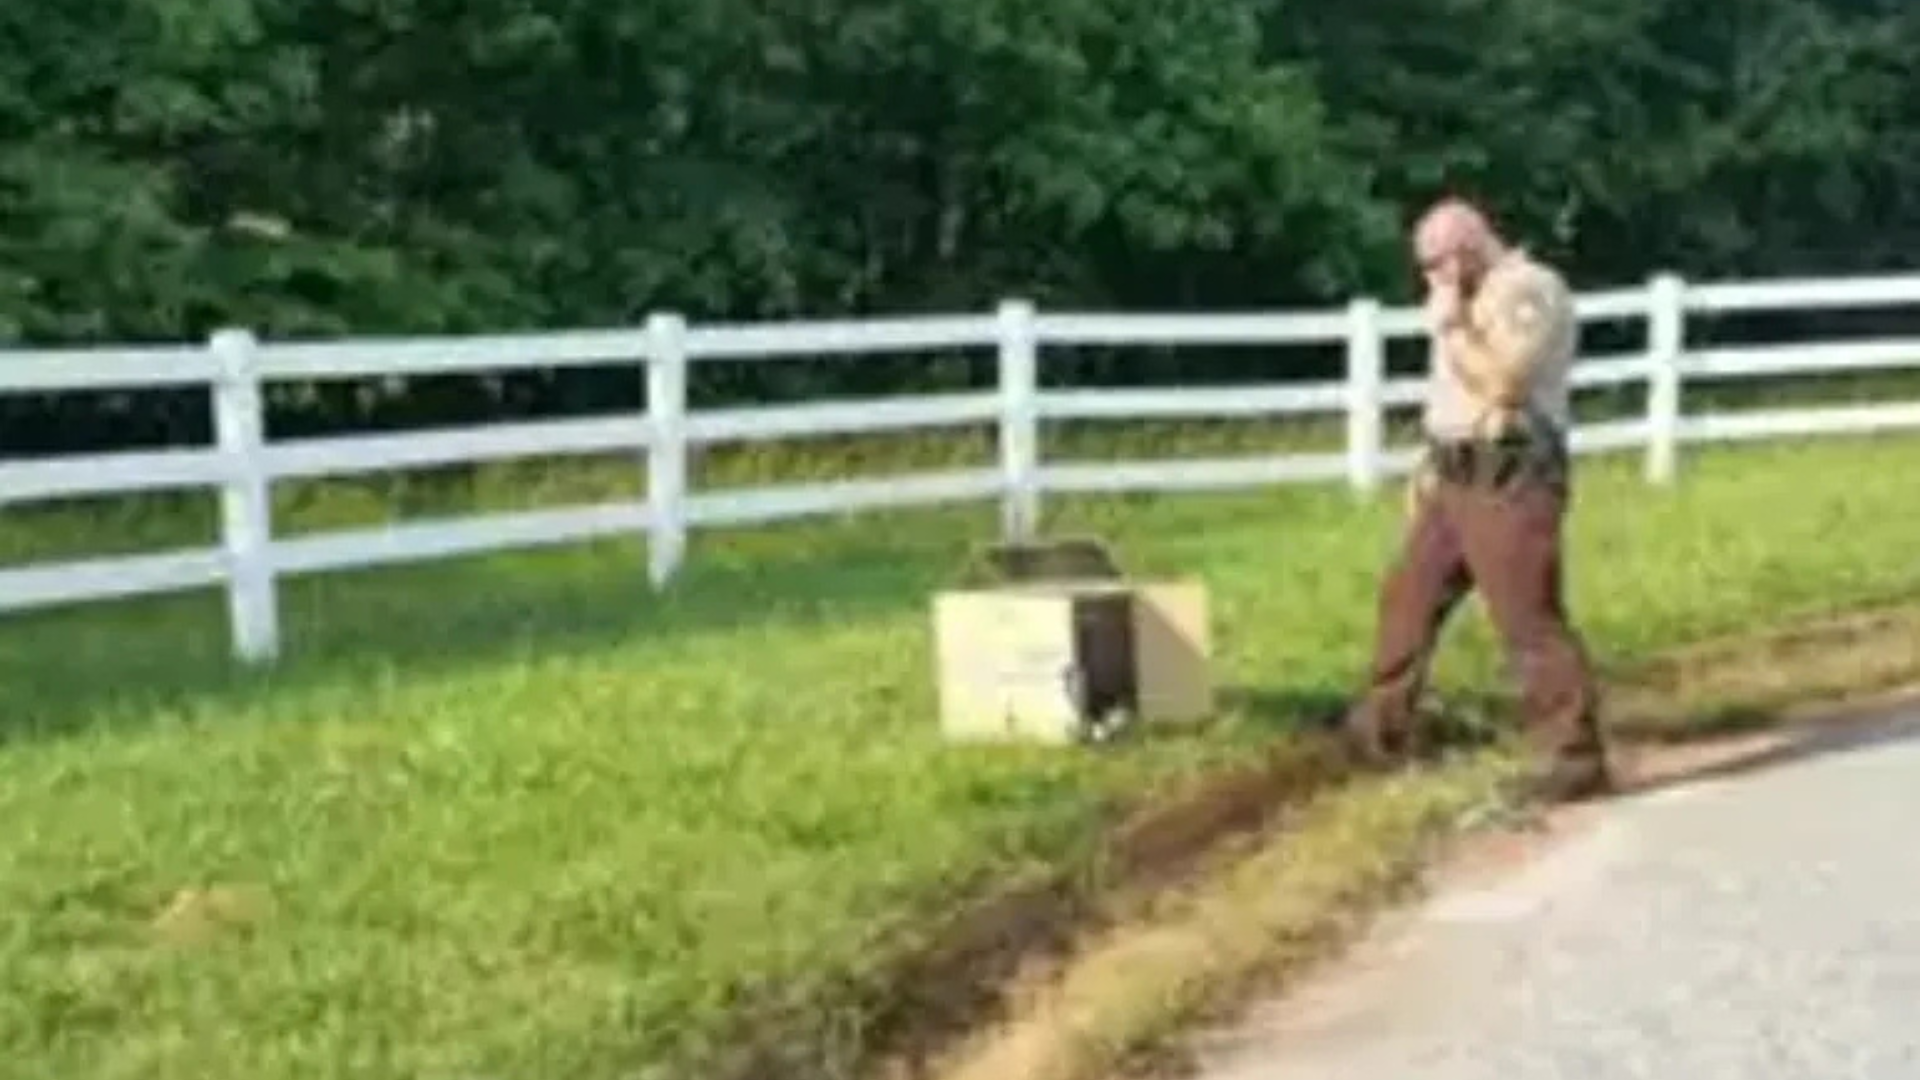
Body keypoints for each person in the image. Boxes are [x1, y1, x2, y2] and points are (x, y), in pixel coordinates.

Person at [1338, 196, 1613, 802]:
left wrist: (1452, 323)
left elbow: (1504, 385)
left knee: (1527, 619)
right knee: (1407, 600)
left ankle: (1575, 756)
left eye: (1437, 263)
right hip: (1454, 475)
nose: (1430, 277)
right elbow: (1451, 395)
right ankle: (1378, 732)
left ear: (1466, 249)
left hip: (1511, 476)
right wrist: (1428, 463)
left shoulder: (1529, 290)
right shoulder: (1461, 299)